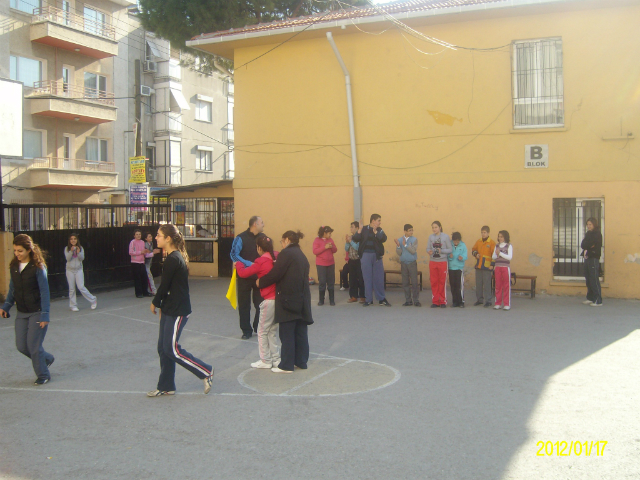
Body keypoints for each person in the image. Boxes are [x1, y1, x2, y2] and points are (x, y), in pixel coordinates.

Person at [148, 224, 214, 397]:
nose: (156, 238)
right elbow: (169, 287)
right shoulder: (171, 257)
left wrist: (155, 302)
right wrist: (163, 306)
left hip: (179, 310)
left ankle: (206, 371)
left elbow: (164, 286)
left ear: (168, 238)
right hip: (170, 308)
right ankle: (166, 386)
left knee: (171, 349)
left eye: (159, 235)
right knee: (163, 348)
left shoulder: (173, 258)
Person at [1, 234, 55, 385]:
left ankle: (43, 374)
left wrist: (45, 315)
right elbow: (13, 289)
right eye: (15, 251)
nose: (17, 254)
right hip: (22, 313)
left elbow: (45, 292)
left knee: (33, 346)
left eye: (20, 251)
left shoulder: (37, 267)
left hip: (37, 311)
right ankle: (47, 359)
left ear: (29, 250)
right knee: (21, 346)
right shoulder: (14, 266)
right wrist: (6, 306)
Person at [257, 230, 313, 373]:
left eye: (282, 241)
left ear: (287, 240)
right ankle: (301, 361)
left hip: (288, 298)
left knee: (287, 332)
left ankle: (287, 365)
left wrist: (260, 282)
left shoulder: (286, 254)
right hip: (302, 298)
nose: (281, 244)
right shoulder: (301, 255)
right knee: (300, 332)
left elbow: (276, 273)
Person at [236, 235, 281, 369]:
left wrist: (238, 263)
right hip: (277, 300)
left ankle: (266, 360)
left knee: (262, 331)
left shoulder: (261, 261)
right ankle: (276, 359)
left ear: (259, 248)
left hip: (268, 300)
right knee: (271, 331)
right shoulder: (275, 258)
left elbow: (244, 273)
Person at [230, 216, 265, 338]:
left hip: (259, 277)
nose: (263, 225)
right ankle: (246, 330)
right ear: (255, 224)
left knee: (260, 304)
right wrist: (248, 264)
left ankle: (257, 326)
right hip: (244, 276)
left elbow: (267, 254)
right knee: (244, 305)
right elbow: (234, 254)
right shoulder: (240, 238)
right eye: (261, 223)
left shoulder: (263, 238)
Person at [352, 214, 391, 307]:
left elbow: (384, 238)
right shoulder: (364, 229)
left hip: (377, 256)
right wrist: (360, 230)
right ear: (373, 221)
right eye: (378, 220)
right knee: (367, 278)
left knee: (378, 278)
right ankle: (368, 299)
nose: (380, 222)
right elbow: (355, 239)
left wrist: (376, 233)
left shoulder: (379, 230)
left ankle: (381, 299)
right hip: (365, 256)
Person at [65, 233, 97, 312]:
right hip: (70, 270)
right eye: (71, 239)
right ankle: (73, 305)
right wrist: (71, 251)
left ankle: (93, 300)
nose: (73, 240)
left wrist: (78, 252)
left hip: (78, 269)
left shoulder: (81, 248)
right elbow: (68, 259)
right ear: (69, 241)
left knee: (81, 287)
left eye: (75, 239)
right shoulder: (67, 249)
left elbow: (82, 258)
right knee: (72, 288)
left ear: (77, 240)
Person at [427, 221, 452, 308]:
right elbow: (428, 248)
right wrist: (429, 251)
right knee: (434, 281)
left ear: (440, 227)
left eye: (436, 227)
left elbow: (450, 249)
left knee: (442, 281)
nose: (434, 229)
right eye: (433, 227)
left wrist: (442, 251)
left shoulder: (445, 237)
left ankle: (443, 301)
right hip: (433, 261)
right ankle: (435, 301)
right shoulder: (430, 237)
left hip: (442, 262)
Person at [395, 224, 420, 307]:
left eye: (412, 230)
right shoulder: (400, 239)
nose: (411, 232)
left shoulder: (414, 239)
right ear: (405, 231)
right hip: (404, 263)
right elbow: (399, 253)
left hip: (411, 263)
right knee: (405, 282)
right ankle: (408, 300)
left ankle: (416, 300)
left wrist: (405, 245)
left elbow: (413, 251)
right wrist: (399, 246)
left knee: (414, 282)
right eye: (409, 230)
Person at [312, 226, 338, 306]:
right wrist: (325, 247)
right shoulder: (317, 240)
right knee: (322, 282)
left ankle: (331, 300)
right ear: (324, 233)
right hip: (321, 264)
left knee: (331, 282)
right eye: (329, 233)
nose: (330, 235)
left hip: (330, 264)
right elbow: (315, 251)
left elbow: (335, 250)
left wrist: (332, 247)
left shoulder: (330, 240)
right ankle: (321, 300)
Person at [471, 226, 496, 307]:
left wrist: (492, 265)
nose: (483, 234)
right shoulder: (478, 241)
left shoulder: (492, 243)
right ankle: (479, 299)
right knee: (478, 284)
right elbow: (473, 249)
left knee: (487, 284)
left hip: (487, 267)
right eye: (482, 232)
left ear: (488, 233)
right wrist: (476, 254)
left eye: (484, 232)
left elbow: (494, 255)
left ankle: (488, 300)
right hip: (478, 265)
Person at [581, 217, 603, 307]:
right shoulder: (588, 233)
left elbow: (591, 244)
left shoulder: (597, 234)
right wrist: (589, 245)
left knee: (594, 278)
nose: (588, 226)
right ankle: (590, 298)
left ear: (594, 224)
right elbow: (583, 244)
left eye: (590, 224)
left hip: (593, 257)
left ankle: (598, 300)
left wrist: (589, 245)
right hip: (587, 257)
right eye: (587, 224)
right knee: (588, 278)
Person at [492, 230, 513, 311]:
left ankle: (507, 304)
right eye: (499, 236)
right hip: (497, 267)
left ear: (505, 237)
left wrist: (500, 253)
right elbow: (493, 257)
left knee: (506, 285)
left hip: (505, 267)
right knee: (498, 285)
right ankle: (497, 303)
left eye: (501, 236)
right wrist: (496, 253)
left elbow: (509, 257)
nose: (500, 238)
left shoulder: (509, 246)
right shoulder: (497, 246)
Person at [345, 221, 365, 303]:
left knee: (361, 279)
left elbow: (357, 248)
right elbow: (346, 249)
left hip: (359, 260)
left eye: (352, 227)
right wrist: (347, 242)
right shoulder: (351, 237)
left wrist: (350, 242)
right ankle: (353, 296)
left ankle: (363, 296)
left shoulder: (360, 238)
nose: (350, 228)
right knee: (352, 279)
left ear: (357, 228)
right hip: (351, 260)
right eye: (350, 227)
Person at [129, 229, 152, 298]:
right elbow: (130, 252)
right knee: (137, 278)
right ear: (134, 235)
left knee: (144, 277)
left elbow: (144, 251)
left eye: (139, 234)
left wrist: (146, 252)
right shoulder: (132, 242)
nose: (138, 236)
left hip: (142, 262)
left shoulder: (142, 242)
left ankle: (145, 292)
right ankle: (138, 293)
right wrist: (140, 252)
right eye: (137, 234)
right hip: (135, 262)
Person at [448, 232, 468, 308]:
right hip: (451, 267)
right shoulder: (449, 244)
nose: (456, 243)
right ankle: (454, 301)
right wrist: (450, 256)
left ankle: (461, 301)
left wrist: (462, 257)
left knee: (459, 285)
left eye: (457, 241)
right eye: (454, 241)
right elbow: (447, 254)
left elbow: (465, 255)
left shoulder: (463, 245)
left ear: (460, 240)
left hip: (459, 268)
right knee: (453, 285)